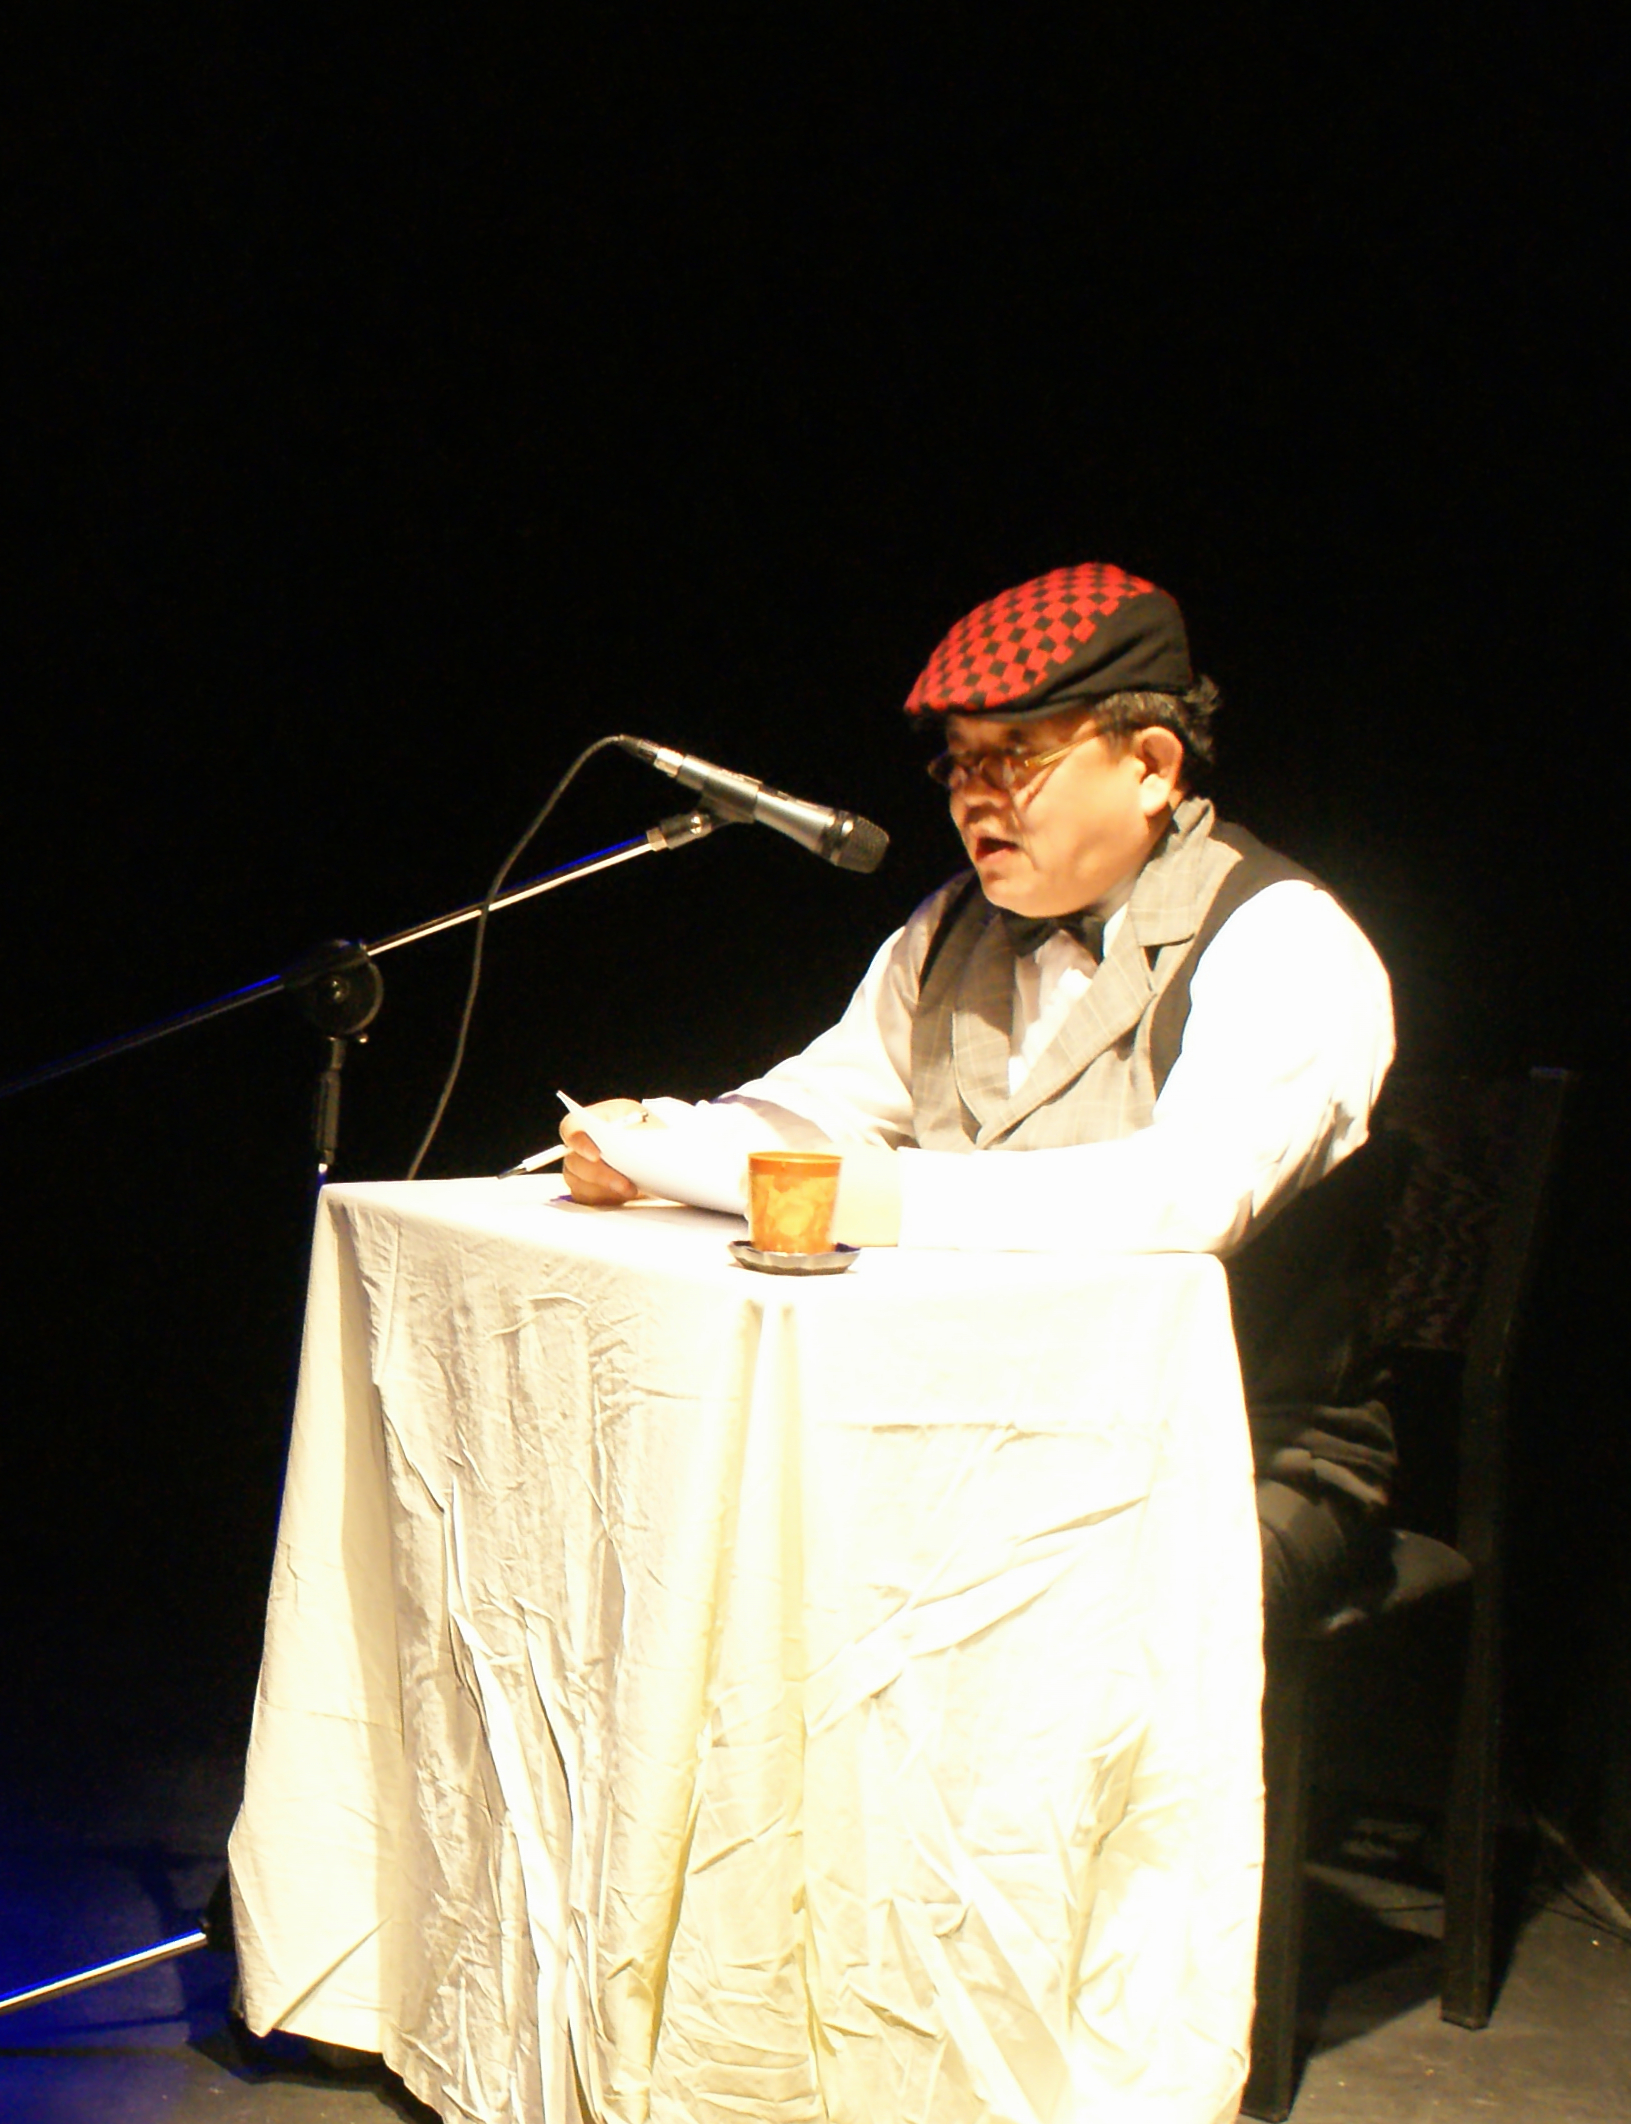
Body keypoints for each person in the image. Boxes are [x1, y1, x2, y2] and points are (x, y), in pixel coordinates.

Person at [557, 562, 1396, 1613]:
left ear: (1150, 766)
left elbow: (1187, 1199)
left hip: (1236, 1448)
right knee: (715, 1545)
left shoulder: (1283, 939)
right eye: (959, 763)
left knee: (1023, 1610)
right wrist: (657, 1140)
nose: (975, 796)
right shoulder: (949, 928)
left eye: (1016, 757)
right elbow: (820, 1102)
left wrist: (882, 1196)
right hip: (991, 1424)